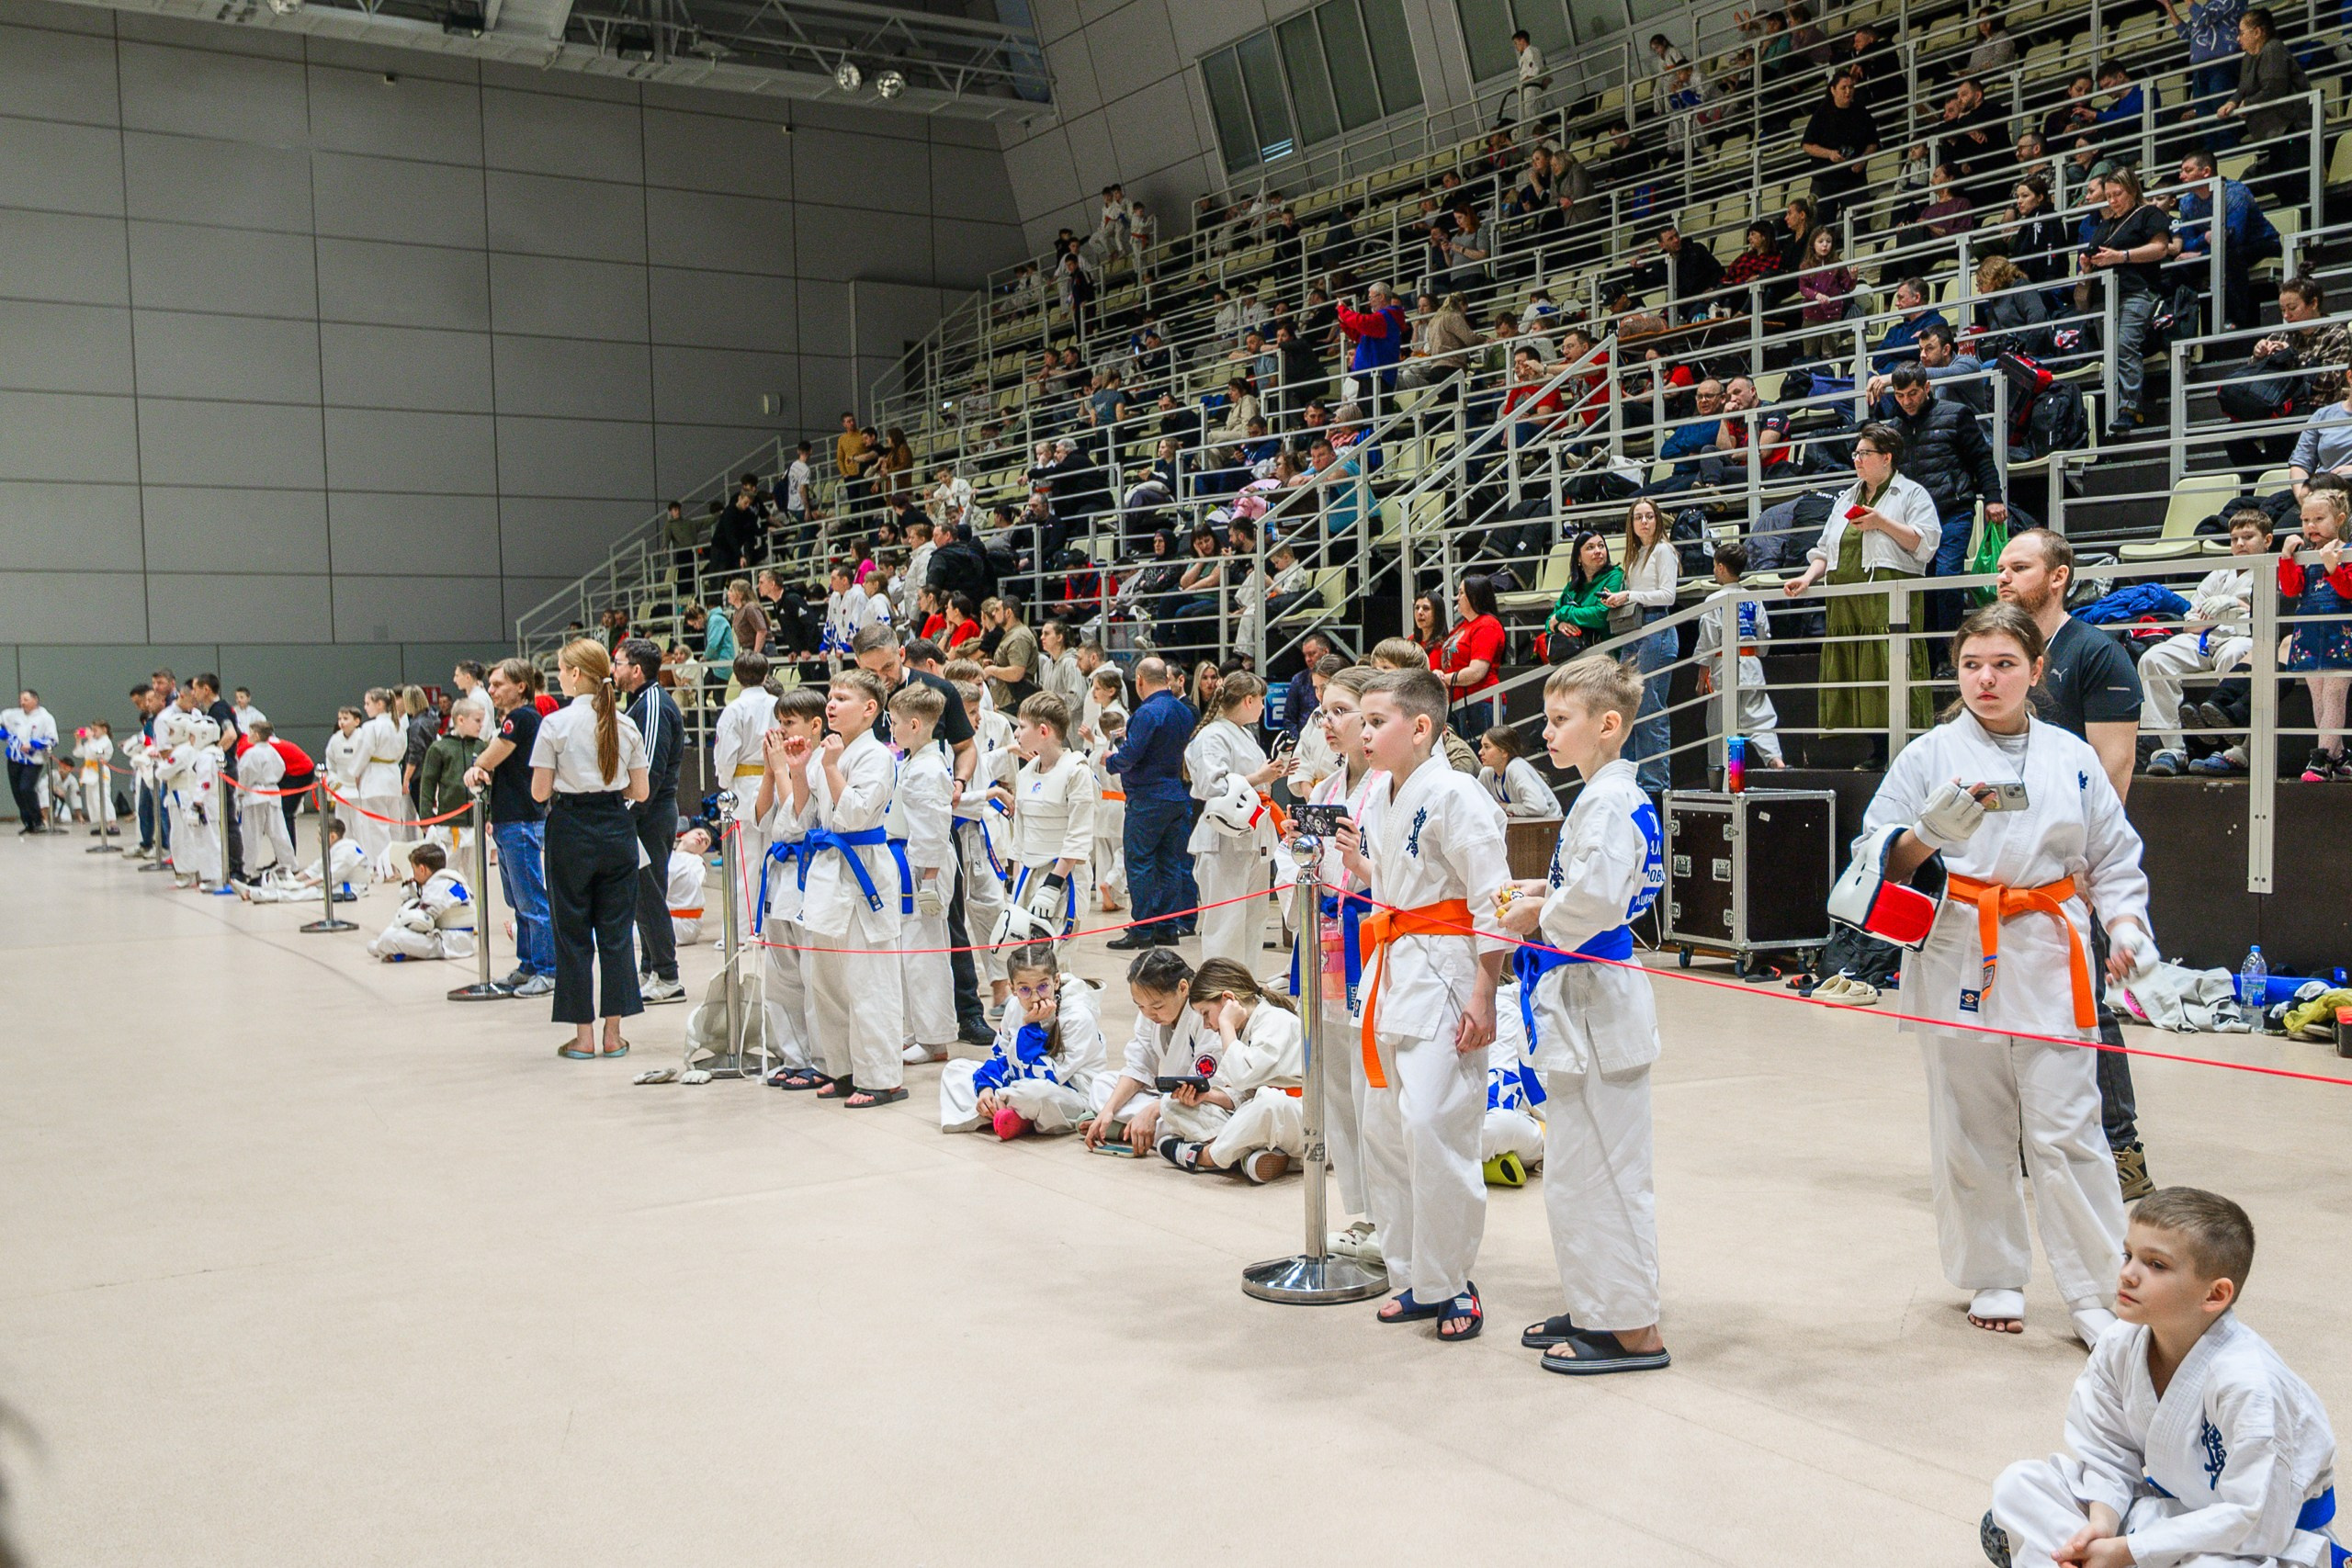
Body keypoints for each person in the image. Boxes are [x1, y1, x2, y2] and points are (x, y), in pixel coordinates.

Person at [1860, 602, 2154, 1344]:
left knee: (2071, 1126)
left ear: (2036, 670)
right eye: (1971, 665)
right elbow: (1876, 856)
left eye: (2003, 664)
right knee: (1970, 1124)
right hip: (1958, 940)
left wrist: (2123, 924)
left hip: (2051, 946)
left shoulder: (2072, 756)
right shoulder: (1928, 753)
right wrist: (1925, 834)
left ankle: (2095, 1287)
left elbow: (2113, 854)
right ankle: (1995, 1271)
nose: (1986, 679)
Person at [1984, 1187, 2341, 1568]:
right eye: (2129, 1255)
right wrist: (2102, 1528)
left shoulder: (2250, 1383)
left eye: (2156, 1265)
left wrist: (2127, 1552)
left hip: (2252, 1544)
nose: (2128, 1274)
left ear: (2215, 1294)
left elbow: (2256, 1521)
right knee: (2020, 1486)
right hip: (2167, 1516)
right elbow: (2107, 1451)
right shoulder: (2119, 1343)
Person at [1493, 654, 1671, 1374]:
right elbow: (1596, 884)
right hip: (1584, 997)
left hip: (1598, 995)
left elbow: (1596, 904)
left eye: (1560, 719)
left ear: (1607, 725)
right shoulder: (1604, 797)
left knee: (1610, 1169)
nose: (1548, 731)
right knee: (1574, 1168)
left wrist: (1541, 909)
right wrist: (1547, 885)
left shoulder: (1606, 801)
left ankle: (1633, 1328)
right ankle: (1597, 1301)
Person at [1348, 667, 1511, 1343]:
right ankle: (1411, 1272)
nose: (1362, 733)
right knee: (1384, 1127)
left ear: (1420, 727)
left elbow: (1493, 896)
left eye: (1375, 721)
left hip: (1446, 971)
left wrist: (1486, 989)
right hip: (1388, 967)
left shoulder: (1457, 792)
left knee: (1433, 1126)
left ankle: (1453, 1281)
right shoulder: (1379, 792)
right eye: (1360, 722)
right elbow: (1391, 882)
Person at [530, 638, 651, 1062]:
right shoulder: (627, 724)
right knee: (617, 934)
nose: (559, 677)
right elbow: (640, 790)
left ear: (575, 673)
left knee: (573, 934)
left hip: (571, 830)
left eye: (562, 669)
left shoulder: (556, 725)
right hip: (617, 828)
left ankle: (582, 1036)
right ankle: (613, 1035)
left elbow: (540, 790)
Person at [1785, 422, 1942, 747]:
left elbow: (1925, 544)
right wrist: (1807, 576)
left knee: (1889, 665)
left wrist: (1881, 522)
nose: (1857, 459)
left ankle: (1901, 745)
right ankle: (1874, 745)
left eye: (1864, 453)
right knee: (1858, 672)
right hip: (1847, 599)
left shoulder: (1912, 493)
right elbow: (1825, 550)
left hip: (1888, 596)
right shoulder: (1845, 498)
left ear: (1887, 457)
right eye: (1855, 453)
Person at [1151, 958, 1306, 1182]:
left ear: (1227, 1000)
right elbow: (1244, 1092)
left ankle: (1207, 1157)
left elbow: (1243, 1076)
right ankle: (1251, 1156)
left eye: (1206, 1013)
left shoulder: (1275, 1020)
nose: (1206, 1025)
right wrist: (1208, 1096)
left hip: (1298, 1120)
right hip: (1258, 1113)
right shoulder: (1246, 1026)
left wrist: (1225, 1024)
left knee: (1268, 1102)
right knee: (1171, 1104)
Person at [940, 942, 1109, 1139]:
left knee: (1035, 1093)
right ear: (1012, 988)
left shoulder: (1078, 1016)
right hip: (1018, 1083)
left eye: (1043, 986)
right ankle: (1010, 1113)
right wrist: (985, 1088)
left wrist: (1030, 1028)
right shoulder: (1014, 1006)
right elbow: (1001, 1055)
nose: (1035, 996)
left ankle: (1010, 1113)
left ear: (1056, 981)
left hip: (1068, 1091)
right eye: (1024, 989)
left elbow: (1048, 1077)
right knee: (956, 1070)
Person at [2140, 509, 2265, 774]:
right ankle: (2173, 749)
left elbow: (2263, 620)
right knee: (2153, 659)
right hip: (2203, 639)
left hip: (2241, 639)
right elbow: (2190, 623)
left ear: (2267, 540)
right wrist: (2219, 616)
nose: (2240, 544)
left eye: (2248, 537)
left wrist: (2236, 605)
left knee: (2237, 656)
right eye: (2234, 539)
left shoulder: (2270, 571)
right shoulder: (2219, 574)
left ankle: (2242, 748)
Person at [463, 660, 554, 998]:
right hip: (506, 819)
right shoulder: (510, 720)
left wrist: (477, 767)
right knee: (517, 899)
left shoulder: (522, 718)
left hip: (522, 819)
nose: (492, 689)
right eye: (490, 684)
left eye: (499, 684)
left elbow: (488, 758)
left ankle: (549, 969)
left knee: (531, 898)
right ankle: (529, 963)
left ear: (521, 686)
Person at [752, 686, 829, 1089]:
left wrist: (783, 769)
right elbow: (763, 819)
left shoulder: (817, 765)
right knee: (781, 975)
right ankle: (793, 1055)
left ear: (815, 726)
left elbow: (796, 821)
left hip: (810, 876)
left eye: (790, 723)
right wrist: (769, 770)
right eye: (779, 723)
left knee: (811, 974)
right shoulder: (783, 763)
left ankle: (820, 1057)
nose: (780, 732)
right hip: (780, 880)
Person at [885, 681, 959, 1066]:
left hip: (923, 868)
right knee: (910, 954)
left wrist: (928, 880)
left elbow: (933, 827)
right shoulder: (916, 761)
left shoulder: (928, 768)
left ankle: (935, 1040)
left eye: (894, 721)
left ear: (914, 724)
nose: (891, 728)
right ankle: (918, 1033)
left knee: (925, 954)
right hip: (909, 863)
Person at [1183, 671, 1281, 965]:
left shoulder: (1245, 734)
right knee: (1225, 922)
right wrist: (1259, 777)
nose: (1263, 707)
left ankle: (1246, 988)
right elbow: (1213, 786)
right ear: (1249, 700)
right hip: (1222, 836)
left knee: (1254, 919)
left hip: (1253, 833)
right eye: (1261, 701)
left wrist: (1269, 777)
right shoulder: (1212, 735)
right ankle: (1220, 992)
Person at [1105, 657, 1198, 949]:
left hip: (1147, 797)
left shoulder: (1147, 712)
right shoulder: (1183, 711)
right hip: (1177, 794)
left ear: (1140, 681)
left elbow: (1131, 755)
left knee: (1141, 862)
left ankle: (1143, 929)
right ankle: (1168, 927)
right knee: (1169, 862)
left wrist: (1112, 761)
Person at [612, 637, 685, 1006]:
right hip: (643, 813)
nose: (614, 670)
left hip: (650, 815)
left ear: (636, 670)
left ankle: (668, 975)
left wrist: (627, 814)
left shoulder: (654, 704)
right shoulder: (637, 703)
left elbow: (651, 771)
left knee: (651, 894)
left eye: (619, 663)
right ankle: (650, 968)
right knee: (642, 895)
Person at [1083, 947, 1205, 1154]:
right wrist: (1108, 1110)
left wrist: (1153, 1110)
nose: (1149, 1014)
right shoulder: (1150, 1012)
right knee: (1101, 1084)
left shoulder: (1204, 1013)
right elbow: (1139, 1066)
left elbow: (1207, 1085)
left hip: (1197, 1100)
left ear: (1183, 988)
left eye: (1157, 1007)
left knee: (1203, 1118)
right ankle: (1134, 1128)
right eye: (1140, 1007)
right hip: (1165, 1097)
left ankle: (1128, 1129)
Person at [2081, 169, 2175, 439]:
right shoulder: (2105, 225)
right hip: (2105, 296)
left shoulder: (2149, 214)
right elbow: (2094, 255)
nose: (2112, 200)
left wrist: (2121, 256)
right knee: (2110, 351)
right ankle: (2113, 406)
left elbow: (2160, 248)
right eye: (2108, 195)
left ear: (2132, 190)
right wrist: (2087, 264)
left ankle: (2131, 407)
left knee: (2123, 344)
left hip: (2137, 290)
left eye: (2117, 194)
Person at [1692, 542, 1786, 769]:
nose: (1714, 570)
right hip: (1751, 665)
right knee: (1759, 716)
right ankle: (1775, 759)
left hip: (1724, 666)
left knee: (1720, 725)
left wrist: (1701, 676)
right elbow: (1763, 634)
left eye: (1715, 566)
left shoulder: (1713, 601)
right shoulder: (1753, 599)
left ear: (1722, 567)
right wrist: (1756, 653)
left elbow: (1708, 640)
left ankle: (1721, 774)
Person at [2279, 488, 2352, 781]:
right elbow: (2291, 589)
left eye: (2319, 519)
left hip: (2341, 634)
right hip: (2309, 634)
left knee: (2335, 695)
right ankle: (2338, 755)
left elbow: (2349, 590)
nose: (2311, 526)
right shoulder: (2304, 556)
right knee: (2319, 697)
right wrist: (2286, 558)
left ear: (2340, 519)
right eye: (2306, 520)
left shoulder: (2347, 552)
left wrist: (2334, 568)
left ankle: (2320, 758)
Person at [1611, 499, 1681, 793]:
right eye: (1638, 517)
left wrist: (1630, 596)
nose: (1644, 522)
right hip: (1635, 628)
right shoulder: (1635, 555)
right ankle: (1630, 778)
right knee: (1628, 705)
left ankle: (1654, 784)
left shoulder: (1663, 550)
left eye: (1649, 516)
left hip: (1656, 628)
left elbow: (1668, 595)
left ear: (1657, 520)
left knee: (1650, 707)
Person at [364, 842, 476, 963]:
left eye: (414, 869)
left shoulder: (436, 887)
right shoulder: (450, 879)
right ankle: (393, 950)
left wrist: (406, 909)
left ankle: (386, 948)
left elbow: (421, 922)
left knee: (390, 937)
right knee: (397, 932)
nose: (414, 874)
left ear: (422, 869)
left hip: (448, 943)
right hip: (460, 940)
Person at [1803, 72, 1881, 223]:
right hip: (1825, 178)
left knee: (1858, 222)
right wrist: (1829, 154)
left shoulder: (1861, 112)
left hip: (1853, 178)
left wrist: (1863, 159)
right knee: (1821, 224)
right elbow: (1807, 145)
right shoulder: (1821, 114)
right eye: (1843, 87)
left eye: (1851, 87)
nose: (1848, 91)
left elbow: (1873, 143)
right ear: (1833, 90)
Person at [1436, 576, 1509, 735]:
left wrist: (1443, 679)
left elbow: (1477, 672)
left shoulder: (1487, 625)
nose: (1457, 597)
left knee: (1478, 756)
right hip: (1459, 702)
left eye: (1461, 593)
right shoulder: (1462, 626)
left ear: (1474, 596)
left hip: (1480, 701)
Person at [1544, 531, 1622, 663]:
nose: (1598, 551)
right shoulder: (1572, 587)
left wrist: (1564, 614)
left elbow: (1600, 615)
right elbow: (1549, 622)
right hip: (1575, 659)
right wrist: (1560, 625)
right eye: (1590, 547)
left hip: (1607, 657)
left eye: (1601, 546)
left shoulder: (1615, 576)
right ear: (1579, 557)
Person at [4, 691, 58, 833]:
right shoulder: (12, 714)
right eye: (21, 699)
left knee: (26, 788)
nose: (22, 703)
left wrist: (34, 744)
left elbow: (53, 740)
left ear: (35, 700)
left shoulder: (46, 718)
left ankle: (38, 820)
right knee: (17, 792)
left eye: (26, 699)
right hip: (14, 759)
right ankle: (28, 822)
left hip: (34, 760)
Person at [1476, 726, 1554, 816]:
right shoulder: (1487, 773)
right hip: (1522, 827)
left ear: (1504, 752)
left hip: (1552, 826)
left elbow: (1538, 807)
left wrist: (1507, 807)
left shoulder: (1515, 768)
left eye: (1487, 747)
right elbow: (1475, 802)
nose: (1480, 752)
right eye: (1481, 746)